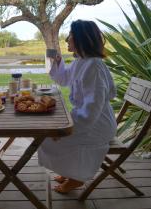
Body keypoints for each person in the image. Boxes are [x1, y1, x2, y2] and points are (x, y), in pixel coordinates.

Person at [38, 20, 117, 193]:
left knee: (47, 137)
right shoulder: (81, 61)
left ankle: (76, 178)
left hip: (97, 124)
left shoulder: (94, 66)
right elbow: (64, 79)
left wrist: (67, 129)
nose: (67, 40)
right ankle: (69, 171)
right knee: (47, 133)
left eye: (71, 36)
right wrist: (58, 61)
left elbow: (92, 110)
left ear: (81, 38)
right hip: (88, 118)